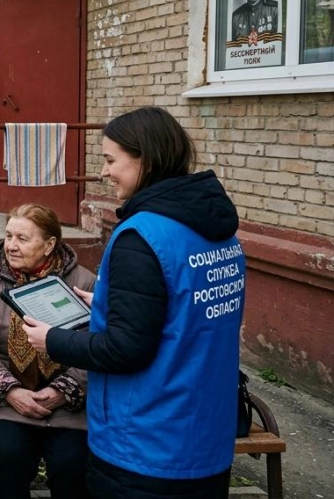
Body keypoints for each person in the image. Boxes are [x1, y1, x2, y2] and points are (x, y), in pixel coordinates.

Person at [24, 106, 247, 498]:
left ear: (144, 158)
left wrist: (54, 339)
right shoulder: (217, 232)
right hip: (206, 437)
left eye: (111, 160)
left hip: (146, 444)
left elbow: (126, 350)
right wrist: (111, 302)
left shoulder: (141, 236)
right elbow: (185, 309)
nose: (105, 172)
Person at [0, 204, 95, 499]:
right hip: (5, 404)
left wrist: (63, 390)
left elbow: (94, 347)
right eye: (8, 236)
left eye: (22, 238)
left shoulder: (82, 283)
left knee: (71, 463)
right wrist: (10, 391)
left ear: (49, 245)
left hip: (66, 407)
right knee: (9, 457)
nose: (11, 246)